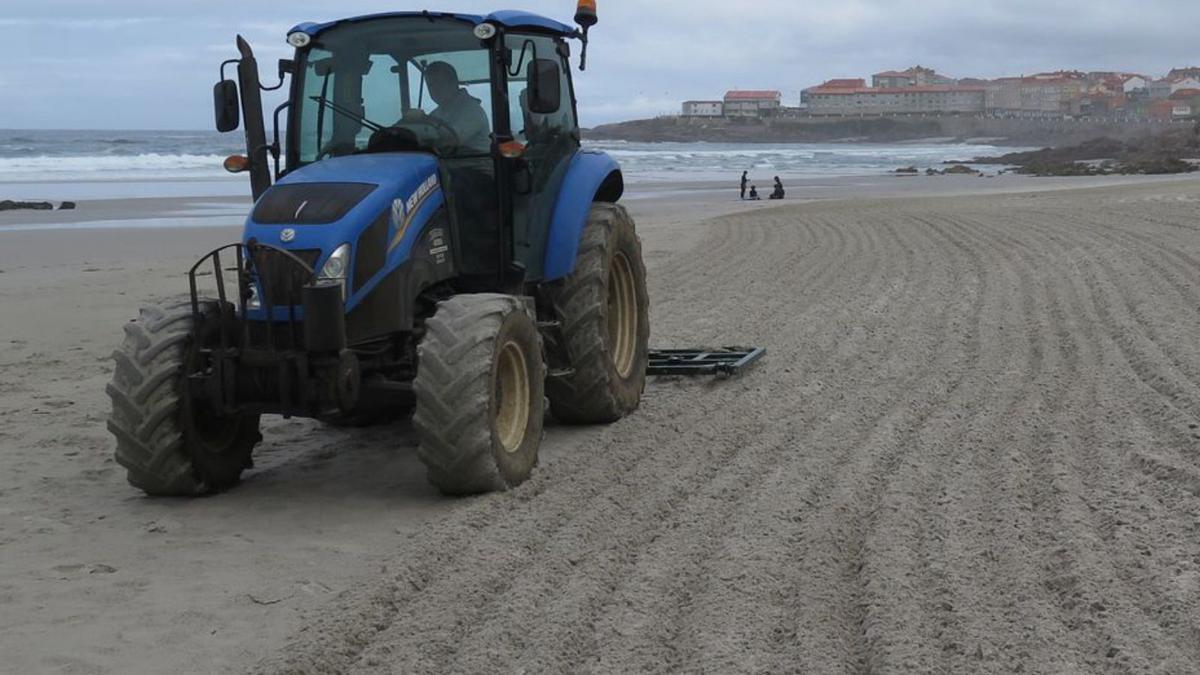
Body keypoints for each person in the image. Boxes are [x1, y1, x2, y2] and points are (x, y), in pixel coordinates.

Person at [404, 61, 491, 154]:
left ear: (453, 82)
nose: (434, 89)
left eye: (439, 82)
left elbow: (452, 140)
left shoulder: (472, 110)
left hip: (474, 166)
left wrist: (423, 118)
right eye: (430, 85)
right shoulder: (436, 113)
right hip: (448, 164)